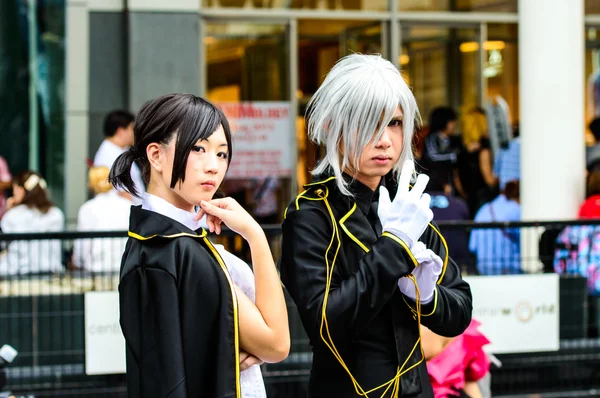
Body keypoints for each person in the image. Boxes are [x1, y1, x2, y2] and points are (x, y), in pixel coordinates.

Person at [279, 54, 473, 398]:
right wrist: (393, 247)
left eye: (395, 123)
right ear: (329, 127)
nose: (385, 139)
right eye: (369, 123)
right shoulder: (309, 215)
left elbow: (459, 310)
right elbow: (326, 326)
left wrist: (426, 298)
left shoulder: (406, 203)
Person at [109, 93, 289, 398]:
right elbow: (277, 344)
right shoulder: (173, 248)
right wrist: (256, 236)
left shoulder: (170, 243)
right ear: (156, 155)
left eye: (221, 153)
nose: (213, 166)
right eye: (198, 148)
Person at [0, 171, 64, 276]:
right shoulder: (56, 214)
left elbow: (4, 244)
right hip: (51, 270)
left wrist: (9, 211)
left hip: (18, 272)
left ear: (21, 190)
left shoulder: (14, 215)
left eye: (14, 189)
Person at [71, 166, 132, 273]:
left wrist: (78, 262)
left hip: (96, 267)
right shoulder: (128, 205)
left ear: (91, 184)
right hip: (125, 268)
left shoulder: (88, 208)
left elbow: (83, 243)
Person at [94, 109, 145, 204]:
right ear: (120, 131)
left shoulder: (118, 150)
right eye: (132, 129)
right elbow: (120, 193)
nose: (134, 133)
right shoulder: (109, 155)